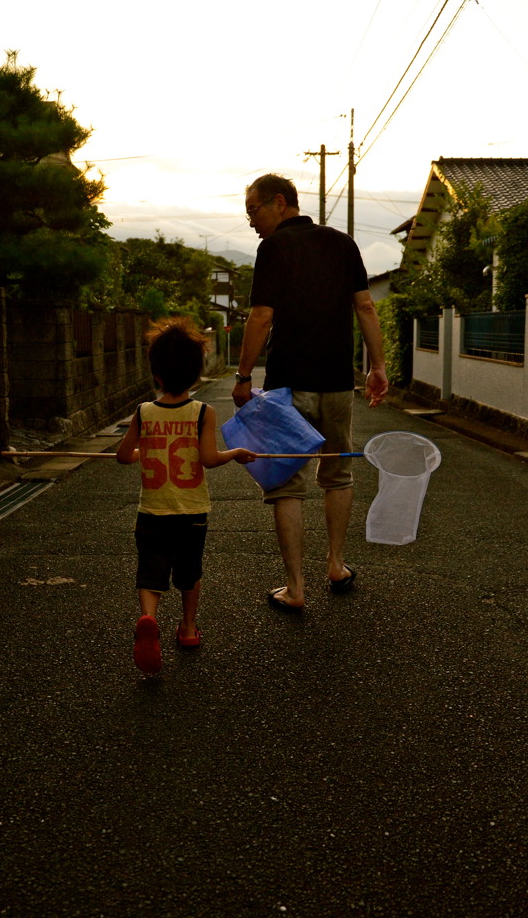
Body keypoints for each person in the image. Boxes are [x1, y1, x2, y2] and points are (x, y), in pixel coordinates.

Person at [232, 173, 388, 611]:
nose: (251, 221)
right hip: (338, 383)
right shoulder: (343, 244)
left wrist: (244, 376)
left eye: (253, 211)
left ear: (279, 203)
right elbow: (365, 306)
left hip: (289, 386)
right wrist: (377, 368)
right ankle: (336, 566)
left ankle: (296, 587)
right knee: (338, 475)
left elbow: (261, 315)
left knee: (288, 485)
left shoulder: (274, 247)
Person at [117, 317, 255, 674]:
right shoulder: (203, 413)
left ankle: (148, 617)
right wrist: (236, 453)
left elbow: (122, 456)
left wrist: (141, 453)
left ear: (156, 374)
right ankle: (189, 628)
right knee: (189, 572)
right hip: (192, 513)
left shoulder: (143, 413)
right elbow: (209, 459)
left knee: (151, 572)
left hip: (152, 512)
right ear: (196, 374)